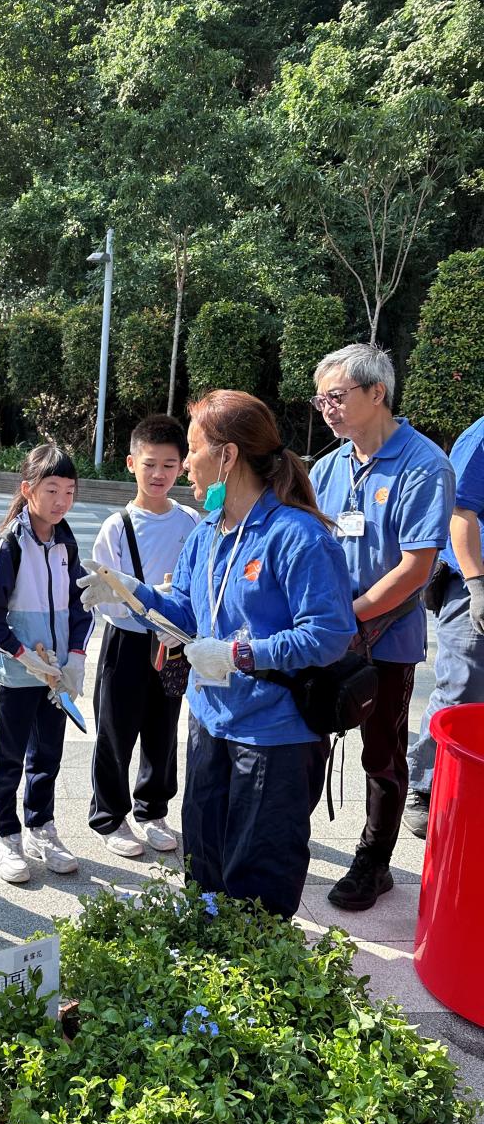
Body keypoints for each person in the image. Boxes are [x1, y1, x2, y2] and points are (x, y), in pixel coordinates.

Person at [78, 391, 357, 920]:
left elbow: (328, 635)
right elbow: (185, 609)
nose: (185, 464)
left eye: (192, 449)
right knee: (204, 856)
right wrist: (134, 594)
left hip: (274, 731)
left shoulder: (296, 535)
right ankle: (207, 948)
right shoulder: (207, 530)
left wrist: (238, 654)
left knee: (258, 875)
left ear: (227, 456)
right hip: (210, 720)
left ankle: (252, 959)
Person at [309, 344, 455, 910]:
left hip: (386, 641)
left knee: (383, 754)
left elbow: (416, 568)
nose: (327, 408)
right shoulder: (328, 466)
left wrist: (351, 617)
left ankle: (374, 863)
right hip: (324, 634)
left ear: (377, 393)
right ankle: (288, 834)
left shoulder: (423, 464)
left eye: (337, 396)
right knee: (306, 736)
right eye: (320, 398)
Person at [0, 444, 94, 883]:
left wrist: (75, 657)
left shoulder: (66, 542)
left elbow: (82, 607)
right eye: (51, 489)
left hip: (56, 678)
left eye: (69, 491)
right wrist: (25, 657)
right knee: (7, 756)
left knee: (47, 755)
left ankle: (42, 825)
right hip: (16, 676)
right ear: (28, 490)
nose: (61, 501)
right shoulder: (8, 545)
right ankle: (6, 834)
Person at [88, 414, 200, 858]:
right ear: (131, 463)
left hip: (173, 644)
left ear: (182, 466)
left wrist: (180, 620)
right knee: (114, 730)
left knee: (163, 729)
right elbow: (104, 596)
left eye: (169, 465)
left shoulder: (190, 520)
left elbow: (198, 584)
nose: (159, 474)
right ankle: (109, 816)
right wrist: (151, 601)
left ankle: (152, 810)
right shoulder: (118, 525)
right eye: (150, 464)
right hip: (127, 642)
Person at [403, 413, 484, 838]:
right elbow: (460, 511)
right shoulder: (482, 435)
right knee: (462, 686)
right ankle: (424, 785)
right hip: (474, 582)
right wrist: (477, 585)